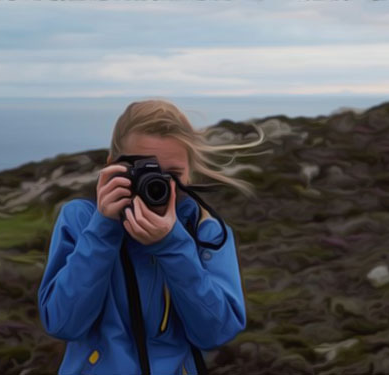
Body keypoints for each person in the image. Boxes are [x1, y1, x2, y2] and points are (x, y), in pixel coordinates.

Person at [37, 99, 264, 374]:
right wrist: (103, 230)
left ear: (190, 172)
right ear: (112, 166)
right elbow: (62, 323)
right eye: (143, 169)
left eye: (173, 174)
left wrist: (173, 246)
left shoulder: (206, 232)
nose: (158, 183)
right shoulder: (81, 221)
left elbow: (216, 333)